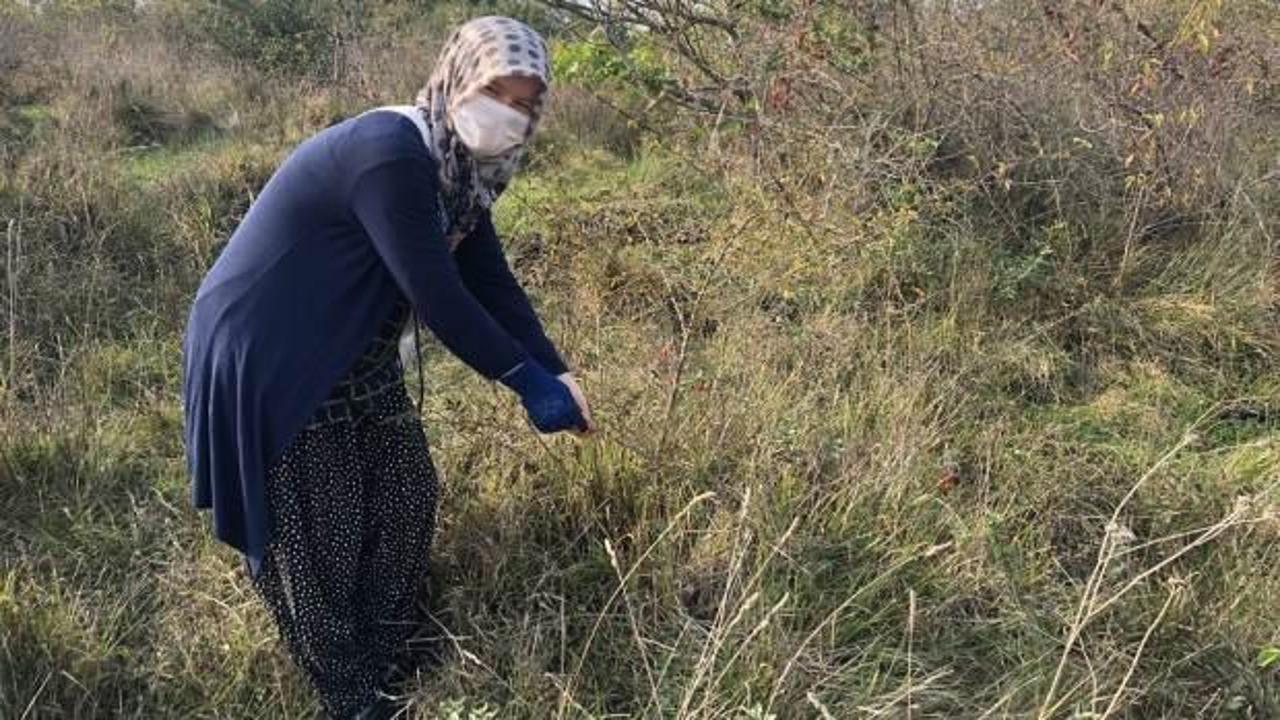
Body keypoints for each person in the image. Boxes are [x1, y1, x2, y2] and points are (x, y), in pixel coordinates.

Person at [181, 16, 592, 719]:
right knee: (318, 533)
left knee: (405, 493)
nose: (509, 115)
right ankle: (351, 694)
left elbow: (491, 285)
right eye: (498, 90)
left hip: (353, 345)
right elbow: (439, 296)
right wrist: (526, 385)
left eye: (526, 104)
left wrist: (557, 372)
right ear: (460, 77)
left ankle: (391, 651)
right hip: (275, 350)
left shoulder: (456, 170)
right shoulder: (392, 155)